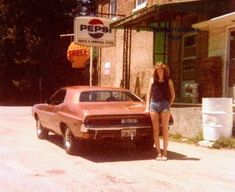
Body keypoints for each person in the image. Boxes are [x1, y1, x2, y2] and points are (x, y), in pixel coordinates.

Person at [145, 62, 175, 161]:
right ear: (156, 71)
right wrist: (147, 107)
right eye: (158, 69)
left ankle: (165, 153)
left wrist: (168, 104)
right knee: (156, 130)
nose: (160, 71)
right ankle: (158, 153)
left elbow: (173, 95)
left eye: (161, 69)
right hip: (153, 105)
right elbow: (148, 95)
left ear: (164, 70)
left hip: (164, 105)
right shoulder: (152, 80)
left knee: (165, 130)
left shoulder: (169, 81)